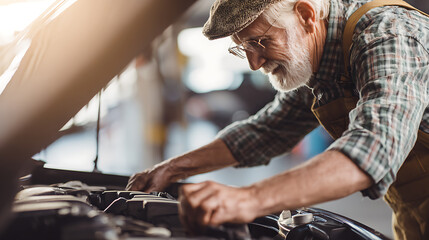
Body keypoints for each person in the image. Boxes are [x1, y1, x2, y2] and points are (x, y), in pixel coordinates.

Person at [127, 0, 429, 239]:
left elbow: (375, 145)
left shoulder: (388, 36)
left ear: (306, 14)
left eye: (259, 42)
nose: (254, 63)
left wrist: (248, 199)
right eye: (243, 48)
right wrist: (171, 169)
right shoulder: (320, 61)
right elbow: (265, 131)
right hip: (412, 215)